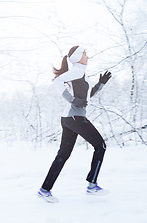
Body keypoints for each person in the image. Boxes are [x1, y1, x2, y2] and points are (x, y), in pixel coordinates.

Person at [38, 46, 112, 203]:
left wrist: (101, 84)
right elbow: (56, 81)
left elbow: (88, 96)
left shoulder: (81, 73)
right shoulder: (77, 70)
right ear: (78, 57)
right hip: (75, 118)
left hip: (68, 119)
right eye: (84, 53)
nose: (87, 55)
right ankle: (92, 185)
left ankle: (44, 190)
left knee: (63, 155)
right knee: (101, 146)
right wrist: (72, 100)